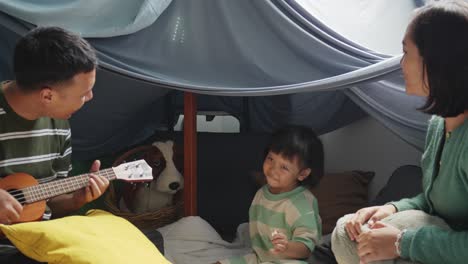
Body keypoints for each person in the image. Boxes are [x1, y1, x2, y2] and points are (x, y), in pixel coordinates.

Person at [331, 1, 468, 264]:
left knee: (370, 245)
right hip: (435, 236)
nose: (401, 64)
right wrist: (390, 209)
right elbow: (434, 203)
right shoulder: (440, 124)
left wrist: (401, 242)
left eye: (406, 53)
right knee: (346, 231)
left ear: (435, 62)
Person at [0, 26, 109, 224]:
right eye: (83, 94)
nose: (90, 97)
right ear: (47, 95)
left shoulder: (59, 122)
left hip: (36, 238)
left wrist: (76, 200)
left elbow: (48, 202)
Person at [218, 125, 324, 264]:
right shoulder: (261, 193)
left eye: (284, 167)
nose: (273, 169)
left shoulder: (301, 203)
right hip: (263, 257)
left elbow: (306, 248)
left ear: (302, 173)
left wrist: (287, 247)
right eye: (270, 159)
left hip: (295, 260)